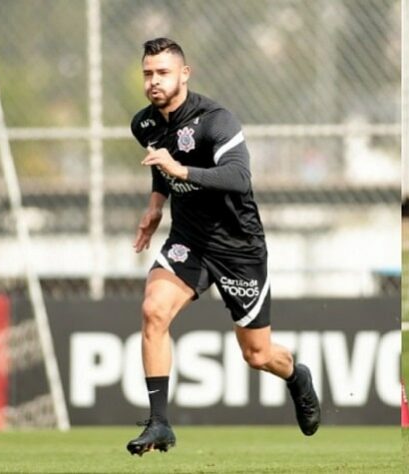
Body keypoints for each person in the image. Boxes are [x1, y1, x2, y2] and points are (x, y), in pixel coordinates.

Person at [126, 37, 320, 456]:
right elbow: (160, 164)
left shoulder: (217, 120)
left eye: (162, 72)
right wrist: (155, 206)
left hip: (238, 248)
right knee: (153, 310)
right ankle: (159, 423)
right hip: (190, 240)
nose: (154, 81)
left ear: (184, 74)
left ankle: (296, 376)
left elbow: (238, 177)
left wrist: (181, 169)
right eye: (148, 73)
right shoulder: (143, 123)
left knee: (258, 354)